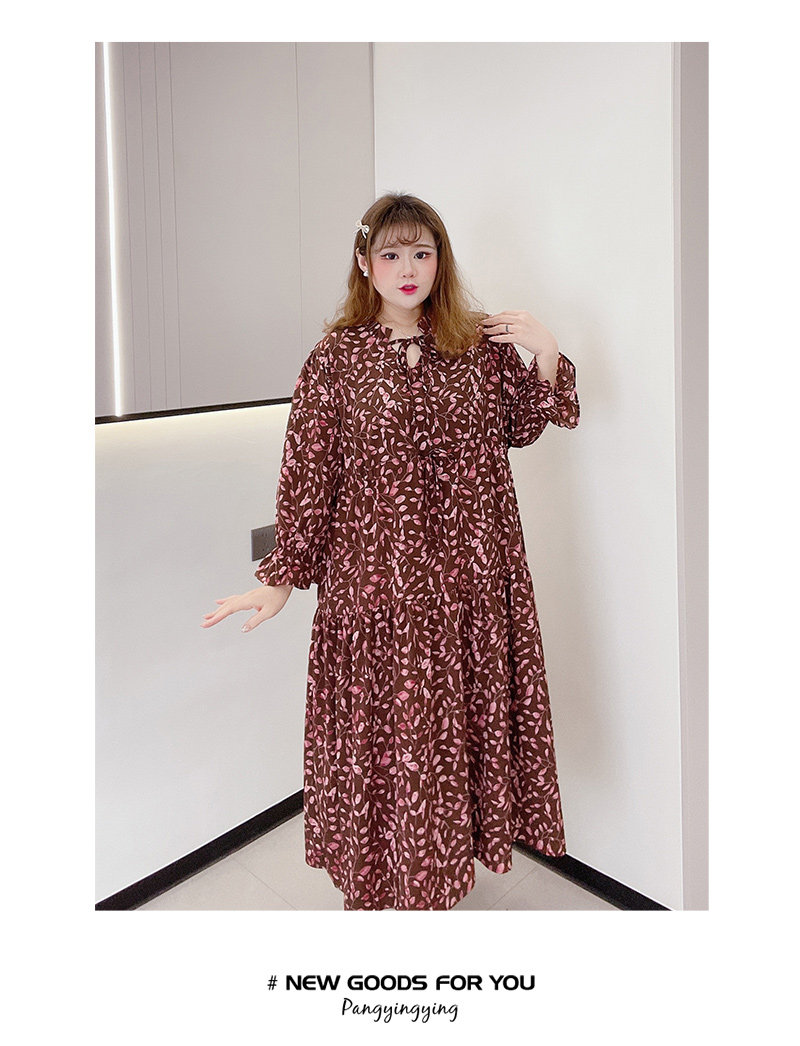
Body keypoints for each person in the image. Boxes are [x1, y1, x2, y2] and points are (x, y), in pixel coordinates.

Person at [201, 192, 580, 910]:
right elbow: (309, 472)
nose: (408, 269)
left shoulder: (476, 348)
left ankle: (441, 874)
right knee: (392, 740)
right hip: (378, 587)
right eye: (392, 253)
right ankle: (389, 880)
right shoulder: (336, 360)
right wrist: (280, 578)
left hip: (469, 582)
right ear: (365, 261)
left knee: (449, 737)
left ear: (441, 261)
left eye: (422, 253)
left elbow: (527, 425)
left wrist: (546, 351)